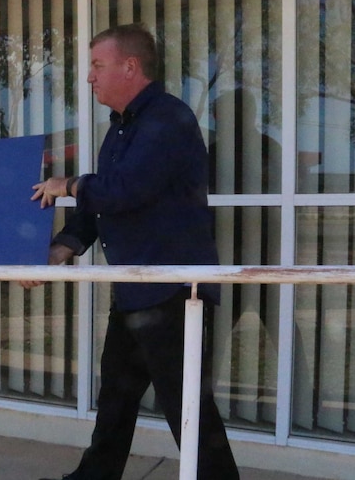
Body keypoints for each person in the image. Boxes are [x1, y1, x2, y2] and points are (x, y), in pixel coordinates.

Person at [25, 24, 240, 480]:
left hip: (175, 294)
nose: (90, 78)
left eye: (97, 66)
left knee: (186, 407)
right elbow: (101, 207)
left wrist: (70, 184)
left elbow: (125, 190)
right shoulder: (121, 129)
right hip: (136, 290)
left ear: (130, 66)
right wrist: (58, 251)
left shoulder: (168, 120)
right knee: (117, 398)